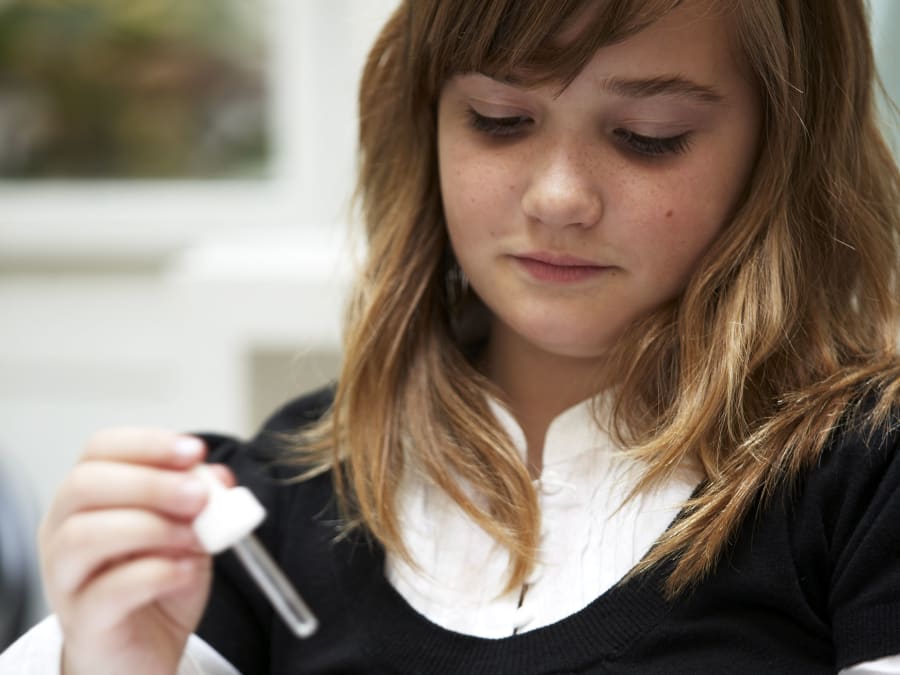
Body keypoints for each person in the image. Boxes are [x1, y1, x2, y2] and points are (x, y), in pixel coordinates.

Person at [3, 0, 900, 672]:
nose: (558, 197)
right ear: (424, 123)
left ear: (783, 147)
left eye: (645, 137)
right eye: (499, 120)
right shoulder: (275, 505)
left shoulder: (865, 479)